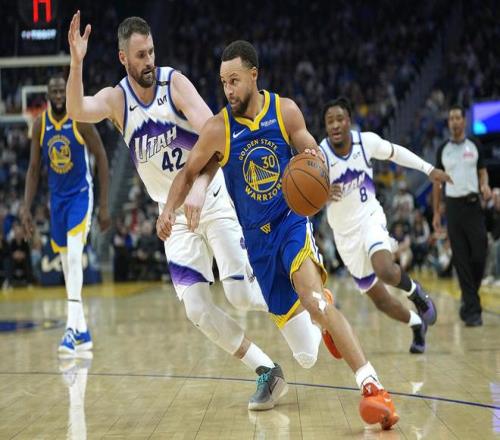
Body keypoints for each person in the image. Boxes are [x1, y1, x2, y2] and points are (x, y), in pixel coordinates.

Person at [66, 12, 328, 411]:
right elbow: (76, 109)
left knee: (239, 293)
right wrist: (77, 62)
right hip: (172, 209)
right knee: (196, 309)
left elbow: (219, 141)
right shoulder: (117, 100)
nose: (149, 61)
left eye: (151, 51)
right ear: (123, 59)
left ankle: (308, 300)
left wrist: (201, 187)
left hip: (212, 195)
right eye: (140, 55)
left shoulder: (174, 83)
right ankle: (267, 370)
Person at [158, 40, 400, 430]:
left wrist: (315, 165)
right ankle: (322, 318)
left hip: (291, 223)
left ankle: (372, 387)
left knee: (313, 299)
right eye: (223, 82)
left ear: (254, 75)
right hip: (258, 243)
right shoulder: (219, 128)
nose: (229, 89)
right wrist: (169, 209)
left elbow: (311, 151)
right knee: (306, 355)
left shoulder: (284, 110)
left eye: (235, 80)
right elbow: (188, 173)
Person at [319, 98, 451, 353]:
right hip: (345, 237)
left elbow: (396, 152)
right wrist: (322, 195)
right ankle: (416, 325)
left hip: (370, 217)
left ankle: (416, 293)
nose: (335, 125)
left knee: (386, 270)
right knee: (381, 301)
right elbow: (307, 200)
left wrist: (428, 169)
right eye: (329, 121)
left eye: (339, 119)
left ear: (349, 121)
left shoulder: (365, 142)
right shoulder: (319, 155)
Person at [21, 73, 111, 356]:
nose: (60, 95)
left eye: (63, 91)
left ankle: (70, 330)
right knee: (66, 264)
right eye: (55, 92)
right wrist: (25, 206)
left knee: (73, 257)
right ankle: (83, 331)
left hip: (81, 196)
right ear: (48, 95)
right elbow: (33, 169)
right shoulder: (40, 124)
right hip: (56, 200)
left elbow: (102, 157)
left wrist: (104, 204)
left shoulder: (79, 119)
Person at [432, 105, 491, 326]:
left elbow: (482, 172)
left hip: (474, 206)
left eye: (458, 118)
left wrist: (485, 185)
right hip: (453, 208)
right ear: (448, 123)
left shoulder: (474, 145)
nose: (455, 121)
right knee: (461, 259)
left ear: (464, 121)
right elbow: (437, 183)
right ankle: (473, 311)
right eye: (451, 118)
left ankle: (468, 301)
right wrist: (436, 211)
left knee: (480, 254)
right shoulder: (443, 150)